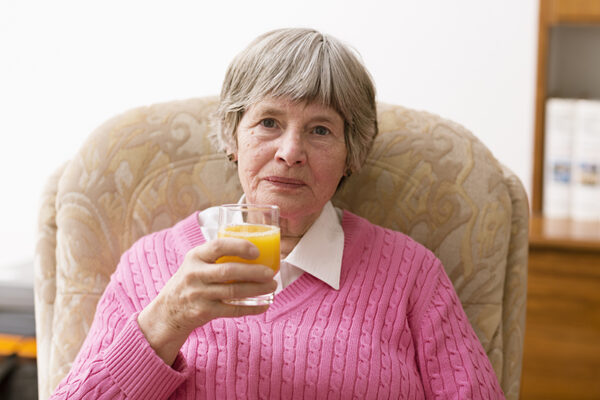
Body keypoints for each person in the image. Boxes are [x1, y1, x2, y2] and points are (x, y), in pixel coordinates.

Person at [50, 28, 505, 399]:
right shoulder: (150, 265)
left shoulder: (412, 274)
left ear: (353, 155)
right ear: (232, 136)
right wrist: (167, 319)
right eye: (268, 122)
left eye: (321, 130)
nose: (290, 152)